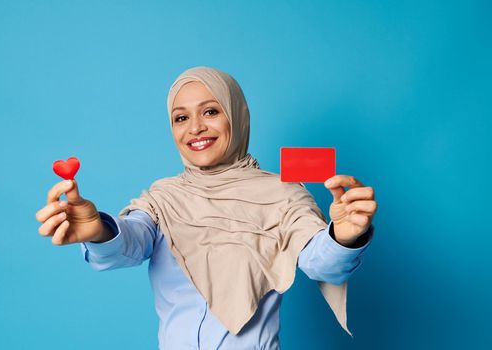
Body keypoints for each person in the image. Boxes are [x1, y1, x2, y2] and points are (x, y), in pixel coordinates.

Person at [35, 66, 377, 349]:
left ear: (237, 115)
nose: (195, 128)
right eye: (180, 118)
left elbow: (322, 264)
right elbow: (131, 240)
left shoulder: (283, 195)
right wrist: (99, 231)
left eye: (210, 111)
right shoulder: (162, 197)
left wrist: (344, 237)